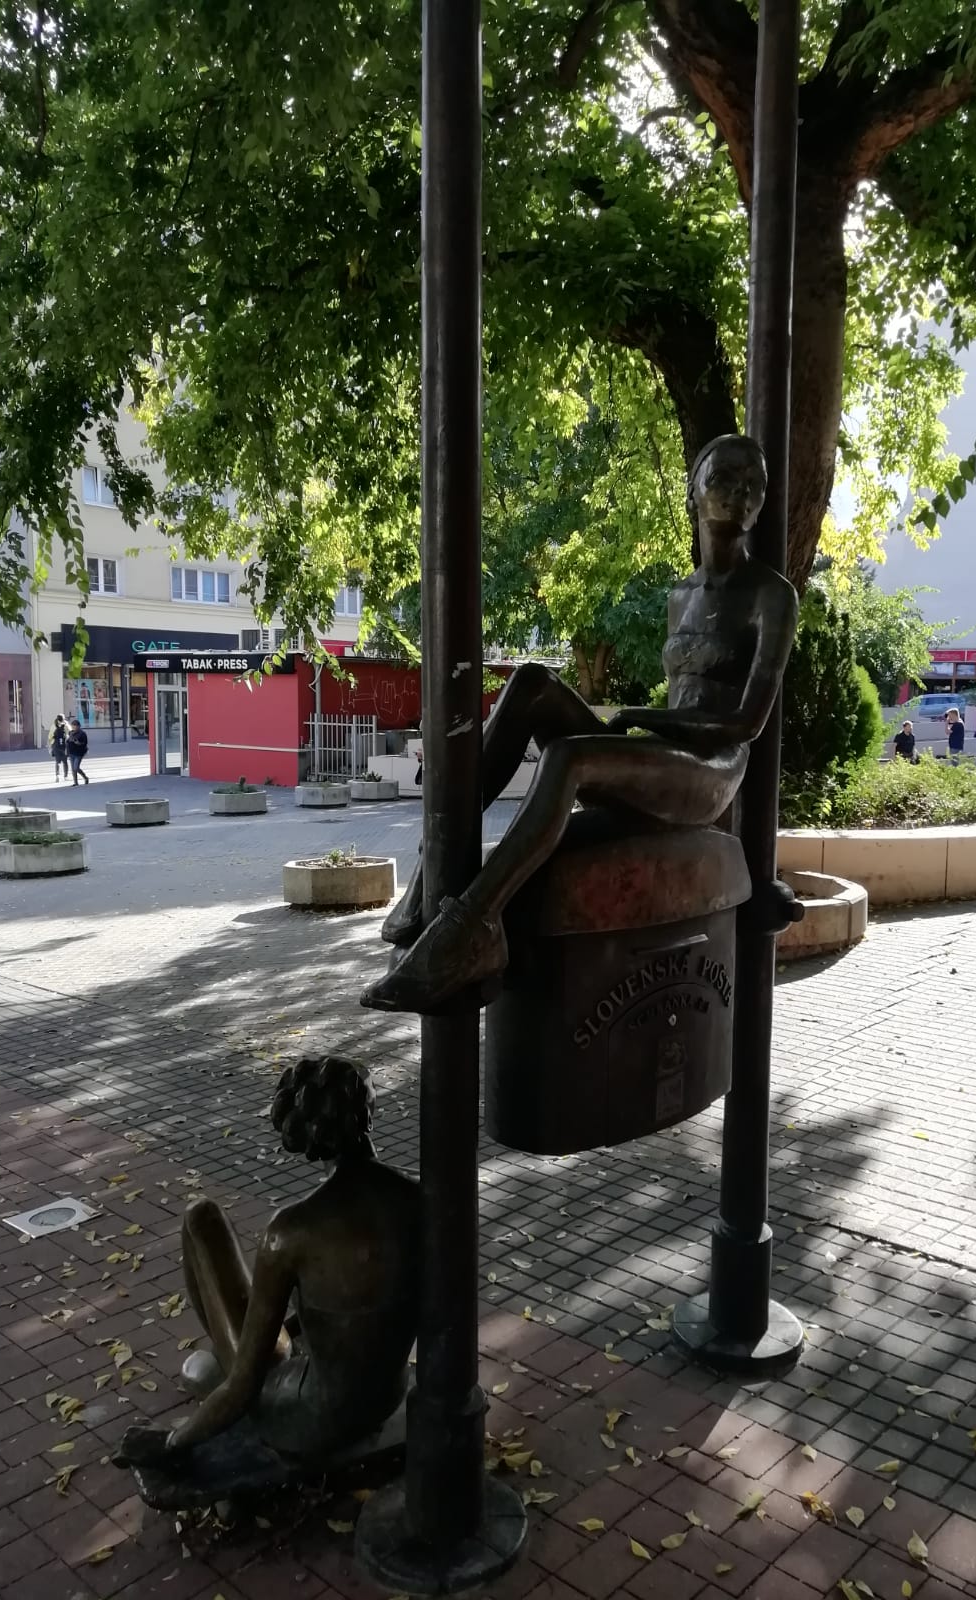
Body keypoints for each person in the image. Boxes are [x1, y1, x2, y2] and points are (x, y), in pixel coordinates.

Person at [362, 432, 799, 1015]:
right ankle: (431, 868)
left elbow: (746, 722)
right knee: (531, 683)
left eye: (754, 484)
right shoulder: (681, 595)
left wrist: (641, 717)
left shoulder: (772, 595)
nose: (740, 494)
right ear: (693, 490)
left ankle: (473, 928)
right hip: (668, 752)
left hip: (711, 771)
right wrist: (647, 726)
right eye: (724, 478)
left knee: (570, 756)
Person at [116, 1057, 420, 1468]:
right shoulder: (418, 1198)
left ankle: (227, 1357)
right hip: (384, 1399)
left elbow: (244, 1386)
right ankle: (246, 1353)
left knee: (201, 1218)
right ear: (366, 1111)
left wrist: (171, 1442)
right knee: (280, 1335)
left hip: (310, 1421)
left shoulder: (291, 1231)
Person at [66, 718, 90, 786]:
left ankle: (85, 777)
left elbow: (85, 743)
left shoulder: (82, 733)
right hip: (71, 752)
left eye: (75, 726)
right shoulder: (70, 733)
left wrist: (79, 743)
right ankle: (75, 782)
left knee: (76, 767)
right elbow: (68, 742)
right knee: (73, 768)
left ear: (79, 726)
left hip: (79, 753)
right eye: (73, 726)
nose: (74, 727)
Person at [48, 715, 69, 783]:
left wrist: (50, 746)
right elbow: (70, 734)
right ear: (63, 719)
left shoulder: (53, 726)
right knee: (65, 762)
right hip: (64, 746)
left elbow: (50, 737)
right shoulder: (66, 725)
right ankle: (65, 776)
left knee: (57, 762)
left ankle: (57, 776)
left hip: (56, 746)